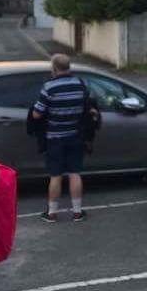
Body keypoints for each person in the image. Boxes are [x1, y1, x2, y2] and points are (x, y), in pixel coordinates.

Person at [33, 54, 88, 222]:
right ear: (68, 66)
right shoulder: (79, 84)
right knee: (74, 173)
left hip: (55, 138)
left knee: (55, 175)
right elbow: (86, 106)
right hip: (75, 135)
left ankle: (51, 213)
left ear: (54, 68)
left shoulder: (49, 87)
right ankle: (77, 212)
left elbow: (37, 114)